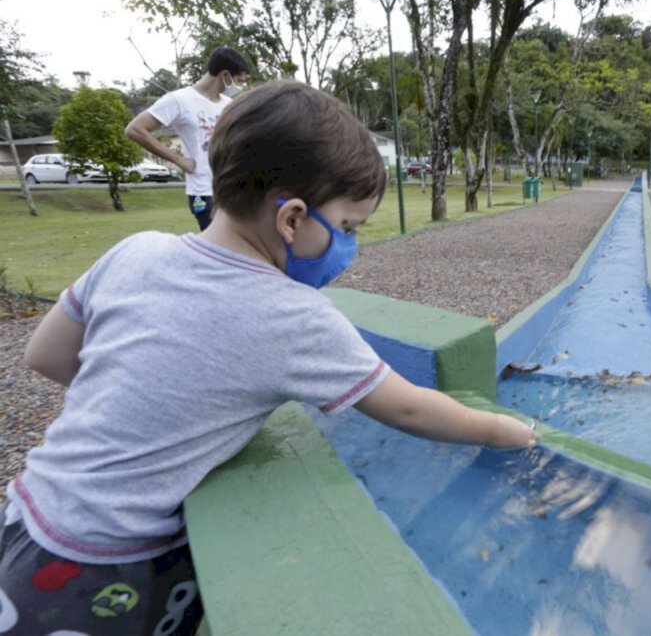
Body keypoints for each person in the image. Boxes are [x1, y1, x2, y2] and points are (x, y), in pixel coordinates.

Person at [2, 81, 538, 635]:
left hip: (26, 513)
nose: (348, 247)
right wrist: (503, 431)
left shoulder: (136, 250)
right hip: (108, 569)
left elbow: (46, 354)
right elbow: (407, 408)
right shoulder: (293, 316)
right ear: (291, 218)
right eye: (347, 228)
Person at [125, 46, 251, 231]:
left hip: (232, 189)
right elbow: (135, 129)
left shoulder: (229, 105)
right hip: (204, 191)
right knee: (216, 252)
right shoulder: (179, 100)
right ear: (225, 76)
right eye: (239, 81)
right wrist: (179, 160)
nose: (239, 87)